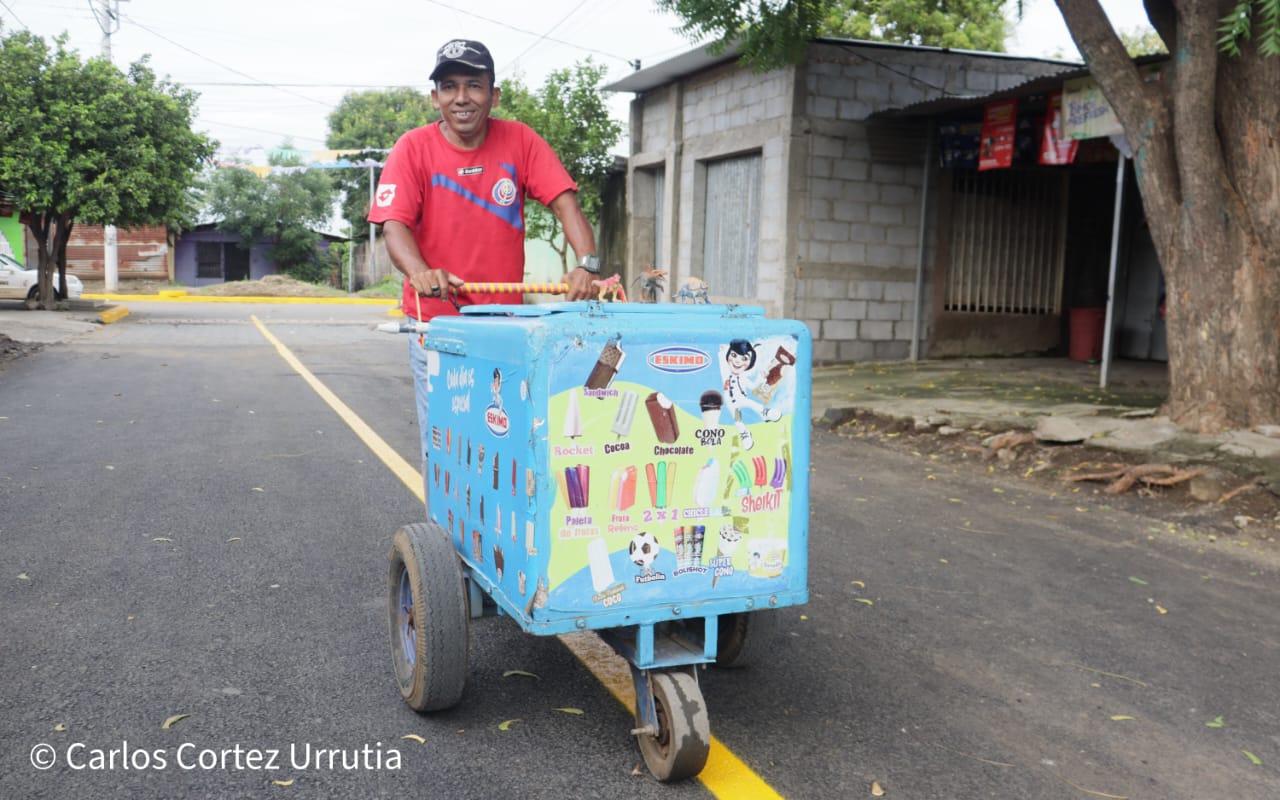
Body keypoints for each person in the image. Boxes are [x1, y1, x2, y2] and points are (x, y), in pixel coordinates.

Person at [367, 39, 601, 496]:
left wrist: (587, 266)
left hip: (505, 327)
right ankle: (446, 543)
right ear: (434, 98)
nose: (461, 97)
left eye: (474, 85)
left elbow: (566, 205)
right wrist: (421, 273)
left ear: (494, 95)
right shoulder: (412, 149)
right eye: (449, 86)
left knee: (504, 442)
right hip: (437, 326)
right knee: (447, 444)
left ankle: (499, 545)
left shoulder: (520, 139)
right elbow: (394, 227)